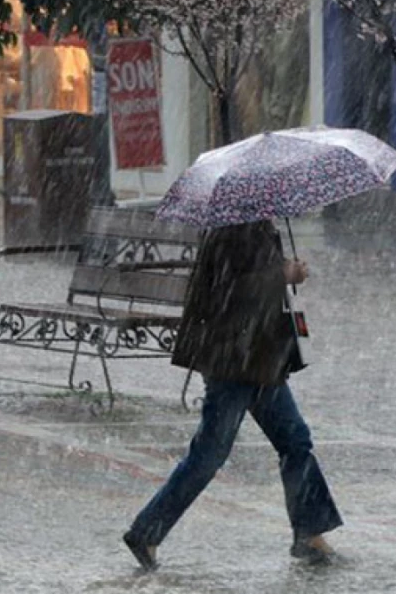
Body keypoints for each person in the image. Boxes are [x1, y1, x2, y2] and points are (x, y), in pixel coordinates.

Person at [122, 219, 342, 570]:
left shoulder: (254, 225)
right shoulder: (231, 229)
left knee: (295, 441)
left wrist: (283, 273)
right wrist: (283, 274)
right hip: (233, 362)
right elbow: (230, 292)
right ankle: (147, 531)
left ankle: (310, 535)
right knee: (209, 454)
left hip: (260, 361)